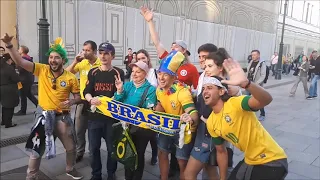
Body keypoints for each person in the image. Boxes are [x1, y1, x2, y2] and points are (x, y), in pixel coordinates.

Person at [1, 34, 83, 180]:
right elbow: (19, 61)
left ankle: (70, 168)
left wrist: (72, 102)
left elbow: (78, 97)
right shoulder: (41, 69)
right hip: (43, 117)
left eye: (56, 57)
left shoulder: (70, 77)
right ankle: (31, 175)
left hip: (62, 118)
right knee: (36, 149)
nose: (53, 60)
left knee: (71, 147)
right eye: (51, 57)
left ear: (63, 60)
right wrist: (9, 45)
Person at [203, 59, 288, 180]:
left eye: (210, 87)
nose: (205, 91)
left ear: (222, 91)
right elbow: (221, 152)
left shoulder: (235, 103)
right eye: (204, 89)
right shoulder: (211, 122)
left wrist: (247, 84)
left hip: (272, 160)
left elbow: (266, 100)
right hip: (250, 159)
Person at [185, 48, 241, 180]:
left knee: (189, 174)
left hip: (210, 135)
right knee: (209, 167)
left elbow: (236, 91)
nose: (206, 68)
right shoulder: (208, 79)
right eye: (205, 65)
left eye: (210, 66)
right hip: (203, 132)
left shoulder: (225, 86)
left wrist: (238, 86)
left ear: (221, 67)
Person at [153, 50, 199, 180]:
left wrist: (190, 117)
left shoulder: (182, 92)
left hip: (183, 131)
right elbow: (161, 106)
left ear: (174, 77)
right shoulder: (159, 90)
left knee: (182, 161)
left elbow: (192, 111)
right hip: (166, 128)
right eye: (159, 73)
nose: (161, 77)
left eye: (166, 74)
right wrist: (155, 110)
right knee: (162, 153)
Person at [83, 42, 124, 180]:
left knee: (112, 149)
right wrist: (90, 100)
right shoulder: (93, 72)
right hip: (94, 117)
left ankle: (111, 173)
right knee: (93, 149)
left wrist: (119, 91)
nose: (103, 56)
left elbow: (120, 96)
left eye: (106, 53)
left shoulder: (118, 72)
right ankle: (96, 174)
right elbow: (86, 92)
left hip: (111, 119)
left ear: (112, 55)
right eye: (101, 53)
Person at [114, 61, 157, 180]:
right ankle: (128, 177)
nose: (134, 74)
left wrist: (131, 118)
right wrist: (119, 91)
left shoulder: (151, 89)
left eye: (138, 72)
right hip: (125, 126)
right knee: (128, 152)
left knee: (138, 153)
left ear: (145, 74)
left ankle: (137, 177)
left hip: (142, 129)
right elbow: (117, 102)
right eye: (133, 71)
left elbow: (148, 111)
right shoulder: (127, 85)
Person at [65, 40, 101, 162]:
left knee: (96, 130)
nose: (85, 52)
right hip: (83, 101)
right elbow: (66, 73)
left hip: (97, 102)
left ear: (94, 51)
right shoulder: (82, 63)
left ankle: (94, 152)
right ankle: (80, 151)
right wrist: (75, 61)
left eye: (88, 50)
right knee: (79, 130)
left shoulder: (100, 63)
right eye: (84, 50)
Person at [134, 49, 158, 164]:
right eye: (138, 59)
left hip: (152, 108)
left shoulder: (155, 72)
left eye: (143, 58)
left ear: (148, 58)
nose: (141, 60)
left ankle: (154, 155)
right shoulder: (136, 73)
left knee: (153, 136)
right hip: (139, 111)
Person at [15, 45, 38, 116]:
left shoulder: (23, 59)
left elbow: (21, 69)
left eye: (19, 49)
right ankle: (39, 106)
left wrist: (17, 68)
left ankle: (23, 110)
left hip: (24, 79)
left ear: (22, 51)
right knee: (28, 94)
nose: (18, 50)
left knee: (23, 95)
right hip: (29, 78)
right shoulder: (28, 58)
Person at [246, 50, 267, 121]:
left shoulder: (262, 64)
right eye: (252, 55)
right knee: (247, 99)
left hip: (256, 85)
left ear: (258, 55)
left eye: (254, 55)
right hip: (249, 84)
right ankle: (249, 114)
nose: (253, 56)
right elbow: (248, 72)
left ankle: (262, 114)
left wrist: (257, 83)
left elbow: (263, 75)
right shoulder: (251, 62)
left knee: (258, 100)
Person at [0, 53, 19, 128]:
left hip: (2, 87)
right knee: (10, 106)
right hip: (9, 88)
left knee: (4, 105)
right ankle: (8, 123)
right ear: (9, 60)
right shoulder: (9, 68)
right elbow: (16, 79)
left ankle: (3, 121)